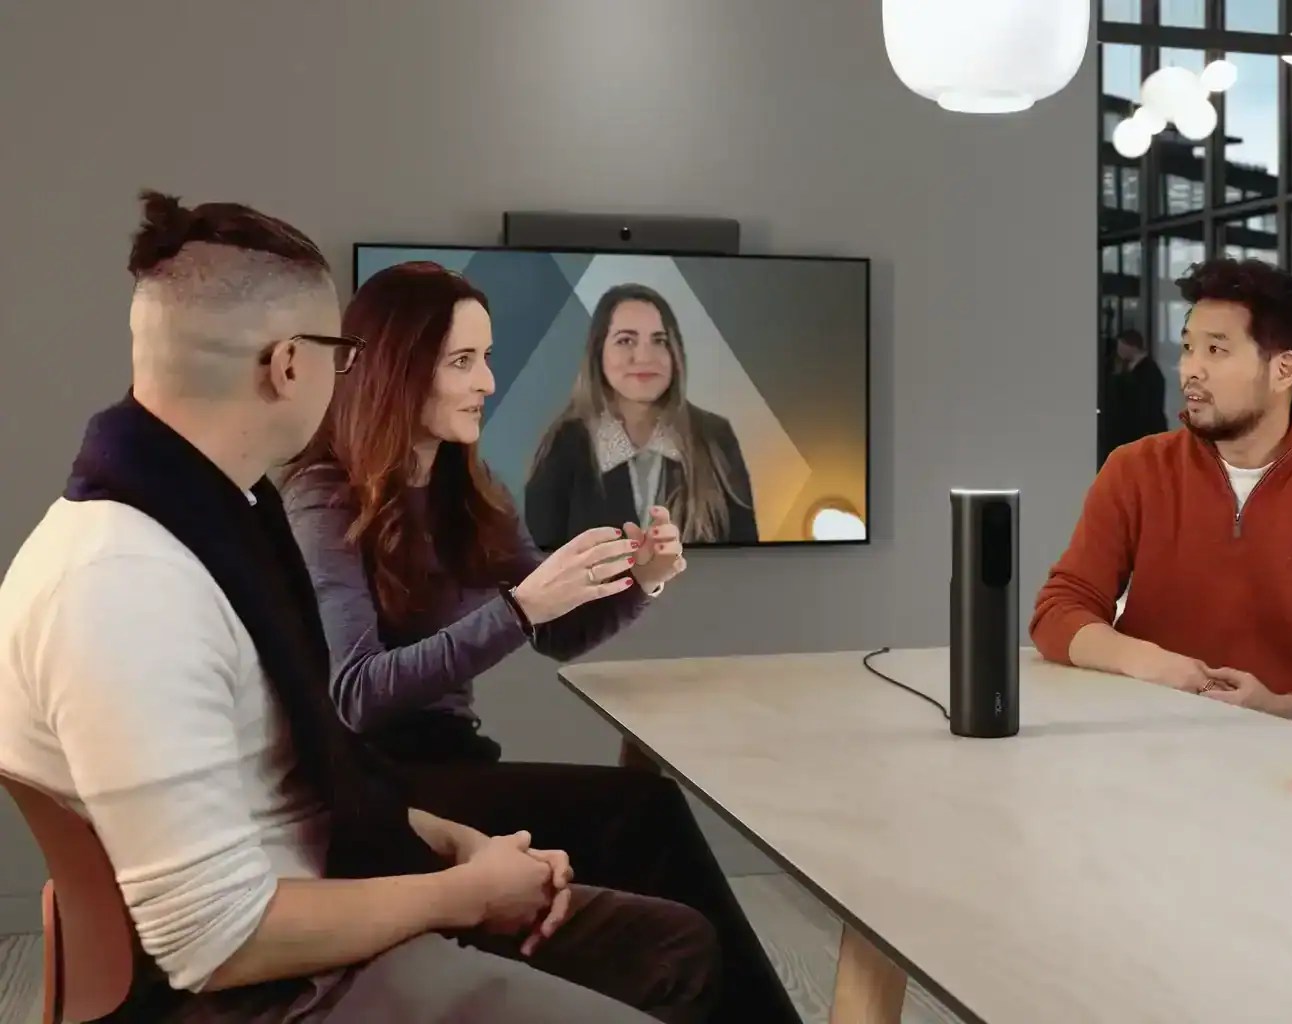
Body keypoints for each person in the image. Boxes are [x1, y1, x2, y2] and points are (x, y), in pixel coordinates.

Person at [0, 192, 715, 1021]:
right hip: (283, 982)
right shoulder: (128, 585)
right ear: (290, 366)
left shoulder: (215, 529)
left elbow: (296, 791)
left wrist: (453, 845)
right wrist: (462, 894)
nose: (485, 382)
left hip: (341, 871)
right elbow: (217, 937)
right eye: (339, 355)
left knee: (675, 945)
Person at [281, 261, 800, 1023]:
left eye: (486, 359)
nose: (487, 382)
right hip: (384, 785)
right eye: (463, 362)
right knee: (644, 815)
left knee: (648, 843)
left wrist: (641, 582)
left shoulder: (469, 483)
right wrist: (519, 608)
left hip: (459, 761)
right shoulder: (322, 493)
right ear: (395, 370)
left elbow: (555, 633)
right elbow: (355, 696)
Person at [1031, 257, 1292, 738]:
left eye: (1216, 351)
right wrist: (1151, 664)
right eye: (1188, 348)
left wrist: (1289, 708)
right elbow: (1058, 612)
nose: (1190, 370)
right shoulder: (1134, 469)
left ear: (1283, 370)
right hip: (1146, 736)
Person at [525, 285, 755, 548]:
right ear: (598, 352)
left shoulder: (716, 436)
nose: (645, 356)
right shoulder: (562, 445)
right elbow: (540, 570)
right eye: (626, 340)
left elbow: (746, 558)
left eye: (659, 341)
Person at [1103, 327, 1168, 451]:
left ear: (1131, 346)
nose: (1119, 351)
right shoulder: (1132, 368)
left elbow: (1144, 407)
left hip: (1142, 433)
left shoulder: (1148, 371)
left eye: (1121, 346)